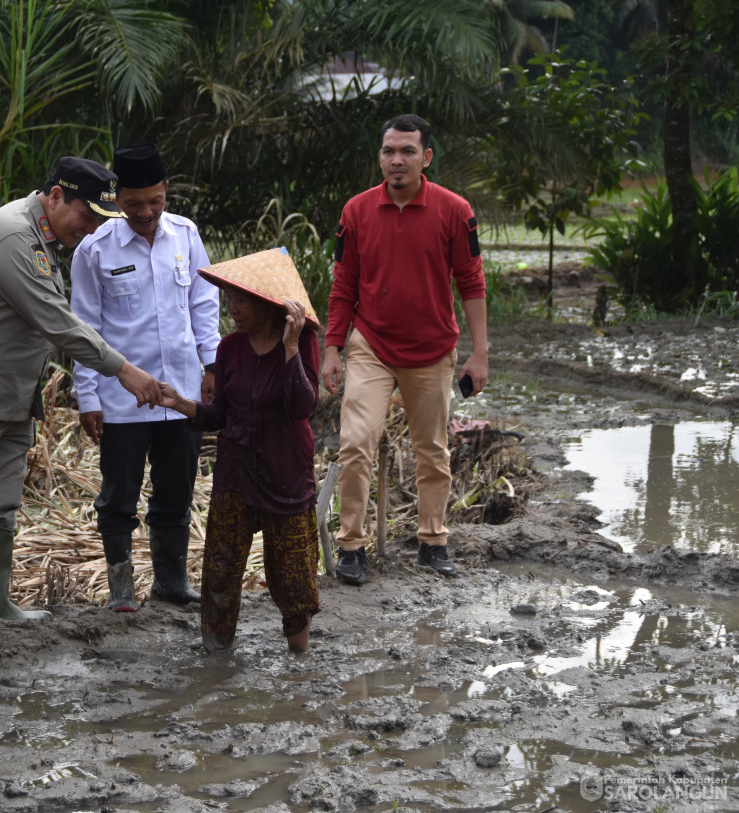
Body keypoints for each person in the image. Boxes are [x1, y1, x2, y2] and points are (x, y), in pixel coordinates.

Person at [0, 157, 164, 648]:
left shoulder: (44, 237)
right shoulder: (12, 235)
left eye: (99, 223)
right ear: (56, 196)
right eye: (86, 217)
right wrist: (122, 369)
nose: (89, 231)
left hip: (8, 397)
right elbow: (55, 320)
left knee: (0, 505)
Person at [321, 113, 488, 585]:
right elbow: (343, 286)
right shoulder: (355, 212)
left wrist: (480, 354)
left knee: (431, 450)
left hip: (432, 348)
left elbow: (472, 282)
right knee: (356, 444)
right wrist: (332, 348)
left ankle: (433, 541)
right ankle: (351, 547)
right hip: (371, 344)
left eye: (407, 151)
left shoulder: (455, 211)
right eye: (389, 151)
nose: (397, 160)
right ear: (380, 157)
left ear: (425, 158)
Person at [70, 143, 220, 612]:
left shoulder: (186, 235)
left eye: (155, 201)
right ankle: (121, 590)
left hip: (181, 394)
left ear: (166, 192)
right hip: (121, 402)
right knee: (118, 498)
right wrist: (88, 397)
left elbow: (203, 304)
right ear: (116, 199)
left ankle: (171, 582)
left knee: (175, 493)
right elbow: (84, 328)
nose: (146, 212)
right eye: (133, 203)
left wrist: (211, 365)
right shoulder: (95, 249)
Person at [158, 248, 322, 653]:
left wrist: (289, 350)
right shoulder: (230, 348)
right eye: (228, 298)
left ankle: (299, 657)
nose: (230, 308)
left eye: (240, 299)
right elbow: (221, 414)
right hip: (236, 470)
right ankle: (216, 654)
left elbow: (303, 406)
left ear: (269, 304)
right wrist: (180, 403)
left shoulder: (302, 343)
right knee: (221, 567)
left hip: (285, 471)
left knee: (293, 573)